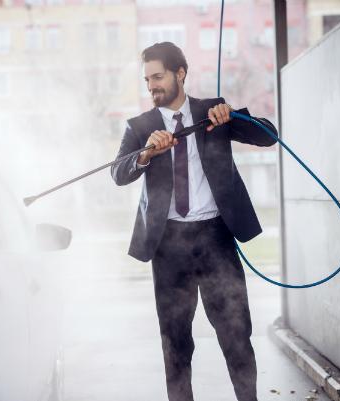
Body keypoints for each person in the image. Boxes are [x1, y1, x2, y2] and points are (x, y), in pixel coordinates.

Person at [110, 41, 278, 401]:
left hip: (215, 237)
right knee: (175, 343)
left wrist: (232, 115)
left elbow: (269, 136)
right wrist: (144, 155)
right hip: (168, 246)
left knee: (235, 334)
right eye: (147, 80)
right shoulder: (140, 127)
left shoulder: (212, 112)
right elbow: (118, 173)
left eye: (158, 77)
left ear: (180, 73)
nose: (151, 85)